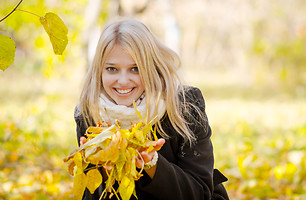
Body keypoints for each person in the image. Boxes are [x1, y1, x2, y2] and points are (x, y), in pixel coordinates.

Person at [74, 18, 229, 200]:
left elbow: (199, 192)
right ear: (99, 71)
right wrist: (106, 173)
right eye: (111, 69)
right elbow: (91, 195)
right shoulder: (90, 113)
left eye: (135, 69)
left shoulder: (184, 105)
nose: (123, 81)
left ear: (151, 67)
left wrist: (153, 164)